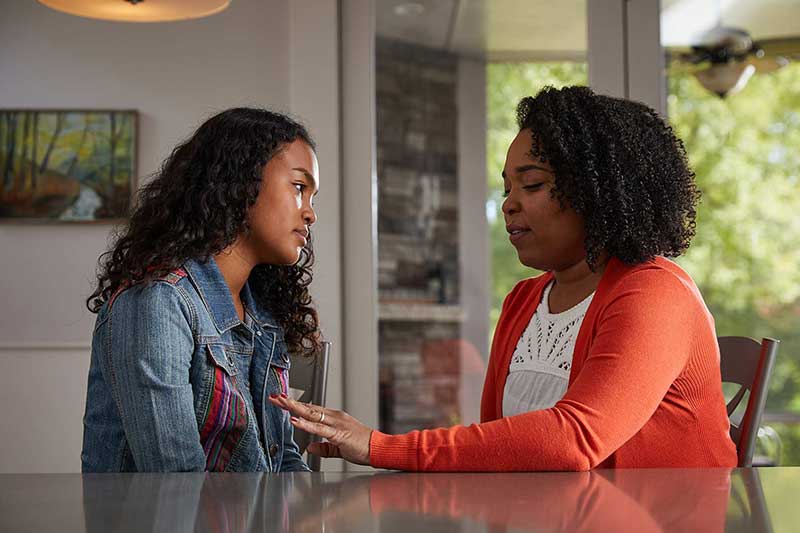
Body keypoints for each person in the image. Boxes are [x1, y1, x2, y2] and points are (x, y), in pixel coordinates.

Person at [270, 86, 739, 471]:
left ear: (598, 191)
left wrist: (380, 446)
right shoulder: (524, 300)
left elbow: (574, 440)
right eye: (507, 187)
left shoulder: (654, 292)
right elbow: (499, 446)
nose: (509, 204)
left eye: (532, 184)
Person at [82, 108, 321, 472]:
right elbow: (178, 484)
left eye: (312, 198)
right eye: (299, 188)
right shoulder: (158, 302)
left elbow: (283, 461)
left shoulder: (262, 315)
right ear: (242, 181)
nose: (310, 214)